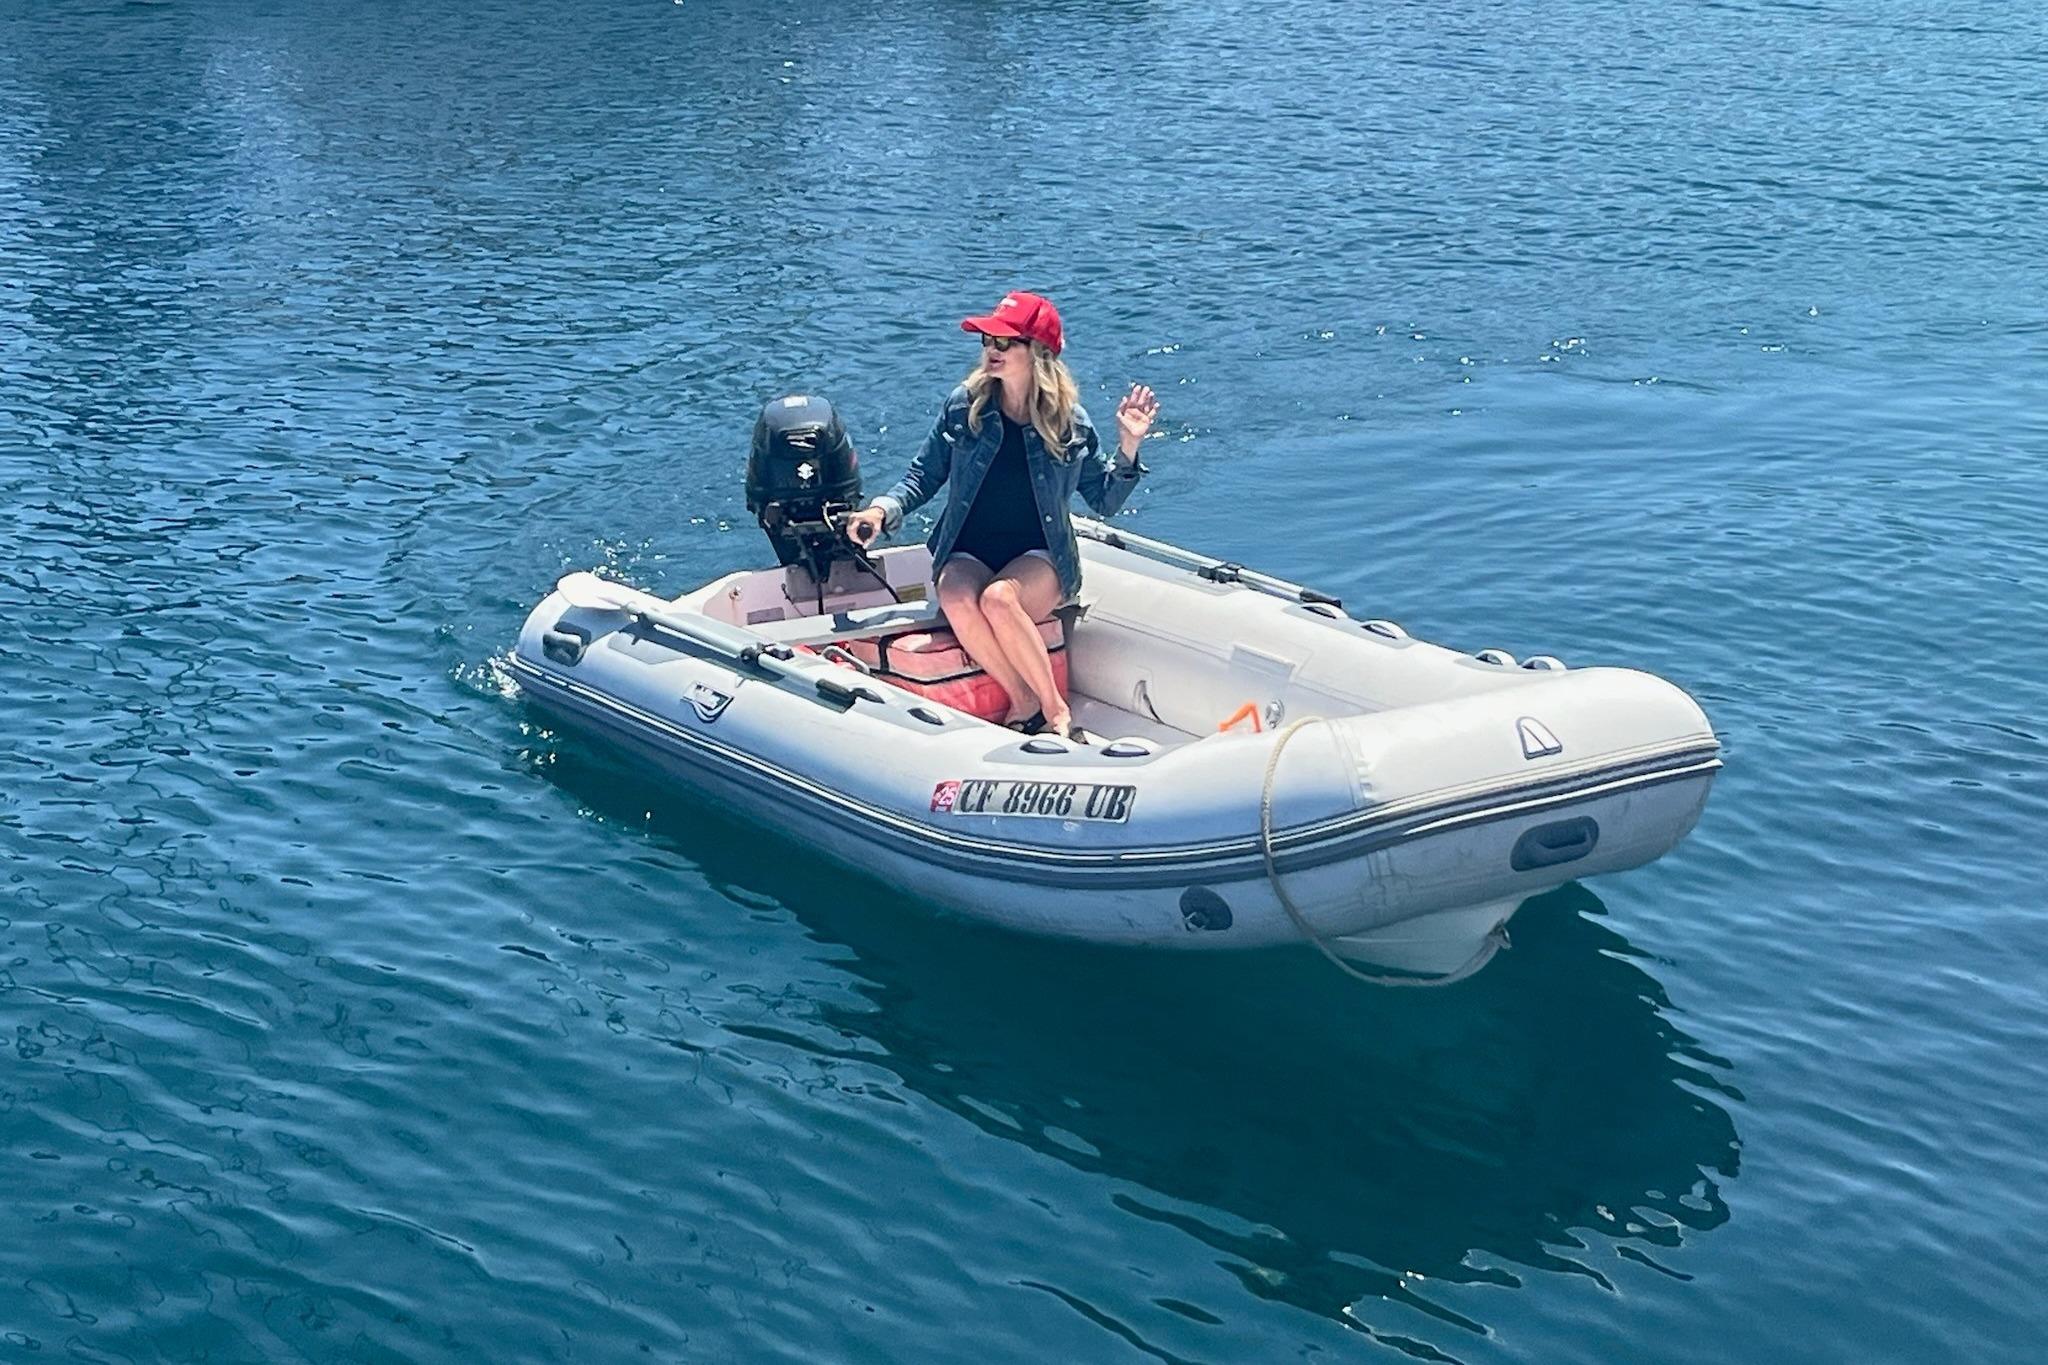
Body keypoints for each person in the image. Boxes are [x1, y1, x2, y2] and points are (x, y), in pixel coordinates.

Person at [843, 291, 1158, 741]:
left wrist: (1129, 446)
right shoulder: (964, 406)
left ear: (1038, 352)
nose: (992, 349)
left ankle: (1056, 712)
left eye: (1005, 342)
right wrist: (880, 511)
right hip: (969, 549)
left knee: (999, 600)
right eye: (988, 340)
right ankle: (1022, 699)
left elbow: (1104, 501)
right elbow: (923, 475)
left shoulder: (1070, 423)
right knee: (956, 596)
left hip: (1039, 556)